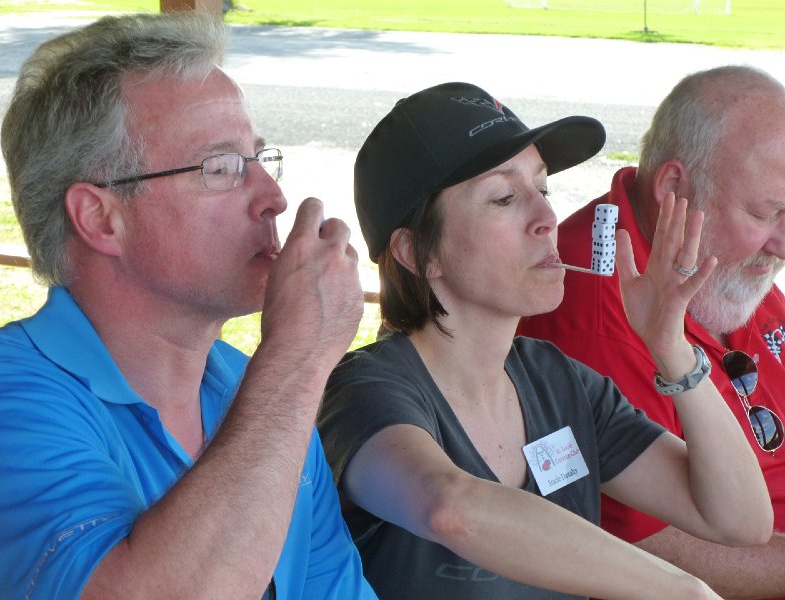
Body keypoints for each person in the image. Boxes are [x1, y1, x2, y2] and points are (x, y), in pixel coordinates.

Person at [316, 81, 772, 600]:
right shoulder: (364, 391)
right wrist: (682, 590)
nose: (547, 219)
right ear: (418, 251)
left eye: (544, 189)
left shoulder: (557, 380)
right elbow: (450, 508)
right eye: (505, 198)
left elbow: (740, 521)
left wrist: (671, 347)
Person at [0, 12, 377, 600]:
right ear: (100, 218)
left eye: (260, 159)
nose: (273, 197)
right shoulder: (4, 401)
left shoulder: (249, 387)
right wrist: (299, 355)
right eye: (221, 167)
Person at [518, 64, 785, 599]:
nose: (781, 243)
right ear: (673, 189)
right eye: (767, 214)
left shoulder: (715, 267)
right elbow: (645, 546)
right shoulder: (597, 315)